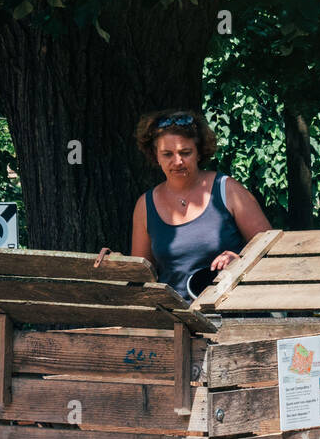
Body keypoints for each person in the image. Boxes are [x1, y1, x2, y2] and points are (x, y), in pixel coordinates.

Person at [94, 109, 272, 300]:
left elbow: (270, 251)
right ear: (155, 156)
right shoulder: (145, 205)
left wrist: (239, 260)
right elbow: (142, 275)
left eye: (185, 152)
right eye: (167, 154)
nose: (177, 161)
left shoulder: (228, 189)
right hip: (173, 318)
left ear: (199, 152)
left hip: (230, 310)